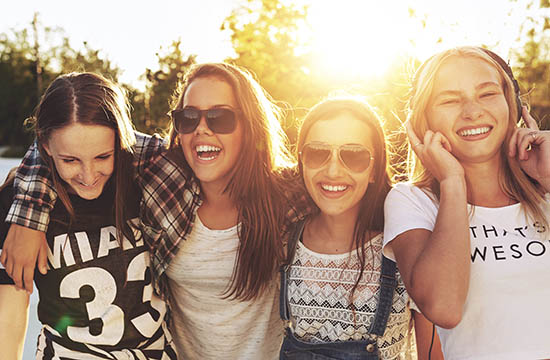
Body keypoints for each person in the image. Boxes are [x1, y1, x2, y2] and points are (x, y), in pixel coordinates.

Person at [2, 63, 308, 359]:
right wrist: (28, 215)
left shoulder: (281, 195)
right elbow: (63, 142)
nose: (88, 173)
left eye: (220, 117)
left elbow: (332, 181)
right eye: (188, 118)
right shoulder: (162, 180)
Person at [383, 46, 550, 359]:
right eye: (449, 99)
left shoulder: (546, 186)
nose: (472, 111)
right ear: (423, 118)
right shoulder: (412, 201)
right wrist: (452, 183)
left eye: (486, 94)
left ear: (512, 104)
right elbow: (444, 308)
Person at [0, 72, 177, 359]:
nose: (88, 176)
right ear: (45, 146)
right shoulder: (19, 201)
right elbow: (8, 320)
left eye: (103, 157)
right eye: (70, 160)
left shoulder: (146, 181)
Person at [279, 97, 419, 359]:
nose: (333, 170)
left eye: (354, 156)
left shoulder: (402, 247)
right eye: (317, 153)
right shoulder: (286, 243)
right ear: (301, 162)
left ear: (374, 170)